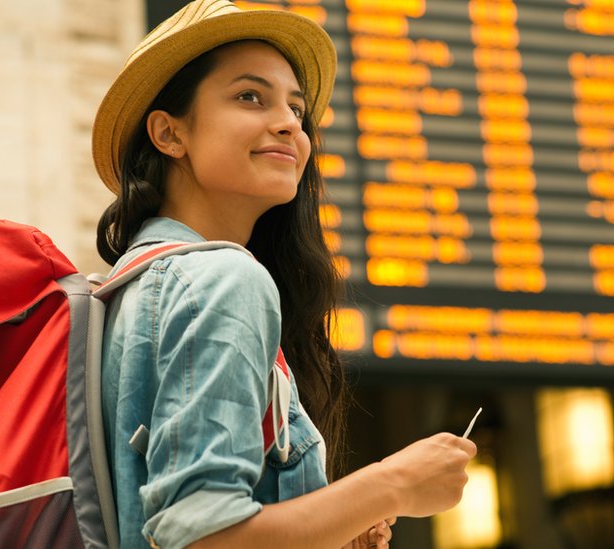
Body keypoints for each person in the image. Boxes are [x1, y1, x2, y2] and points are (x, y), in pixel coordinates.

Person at [91, 1, 477, 548]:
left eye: (296, 109)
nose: (288, 124)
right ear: (169, 134)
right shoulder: (223, 280)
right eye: (250, 97)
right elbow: (204, 538)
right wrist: (395, 483)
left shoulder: (129, 289)